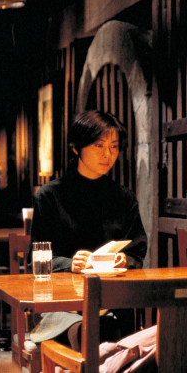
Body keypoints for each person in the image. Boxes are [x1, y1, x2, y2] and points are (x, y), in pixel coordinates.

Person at [29, 110, 147, 349]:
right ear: (76, 148)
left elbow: (137, 251)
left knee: (111, 323)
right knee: (91, 328)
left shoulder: (124, 198)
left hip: (111, 299)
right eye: (99, 145)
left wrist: (123, 259)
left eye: (114, 147)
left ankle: (96, 339)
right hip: (61, 302)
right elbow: (39, 259)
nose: (108, 154)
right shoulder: (50, 196)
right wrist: (70, 263)